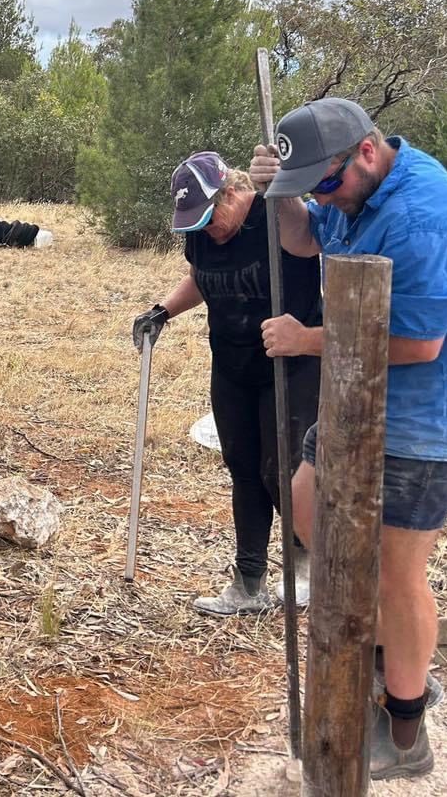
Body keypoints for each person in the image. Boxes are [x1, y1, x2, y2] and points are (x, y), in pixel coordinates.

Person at [250, 97, 447, 781]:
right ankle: (381, 659)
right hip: (351, 401)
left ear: (364, 152)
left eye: (323, 183)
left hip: (419, 422)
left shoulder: (422, 215)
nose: (320, 198)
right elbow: (305, 238)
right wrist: (279, 195)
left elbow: (422, 345)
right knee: (309, 512)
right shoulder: (348, 189)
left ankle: (403, 726)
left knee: (395, 573)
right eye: (308, 186)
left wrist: (307, 340)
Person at [132, 152, 322, 616]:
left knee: (286, 472)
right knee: (244, 470)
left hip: (291, 364)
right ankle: (248, 583)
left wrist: (284, 189)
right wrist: (162, 312)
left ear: (235, 191)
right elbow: (202, 277)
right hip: (232, 365)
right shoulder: (201, 235)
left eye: (211, 215)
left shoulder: (275, 216)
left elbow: (309, 236)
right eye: (194, 223)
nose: (206, 229)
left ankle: (307, 564)